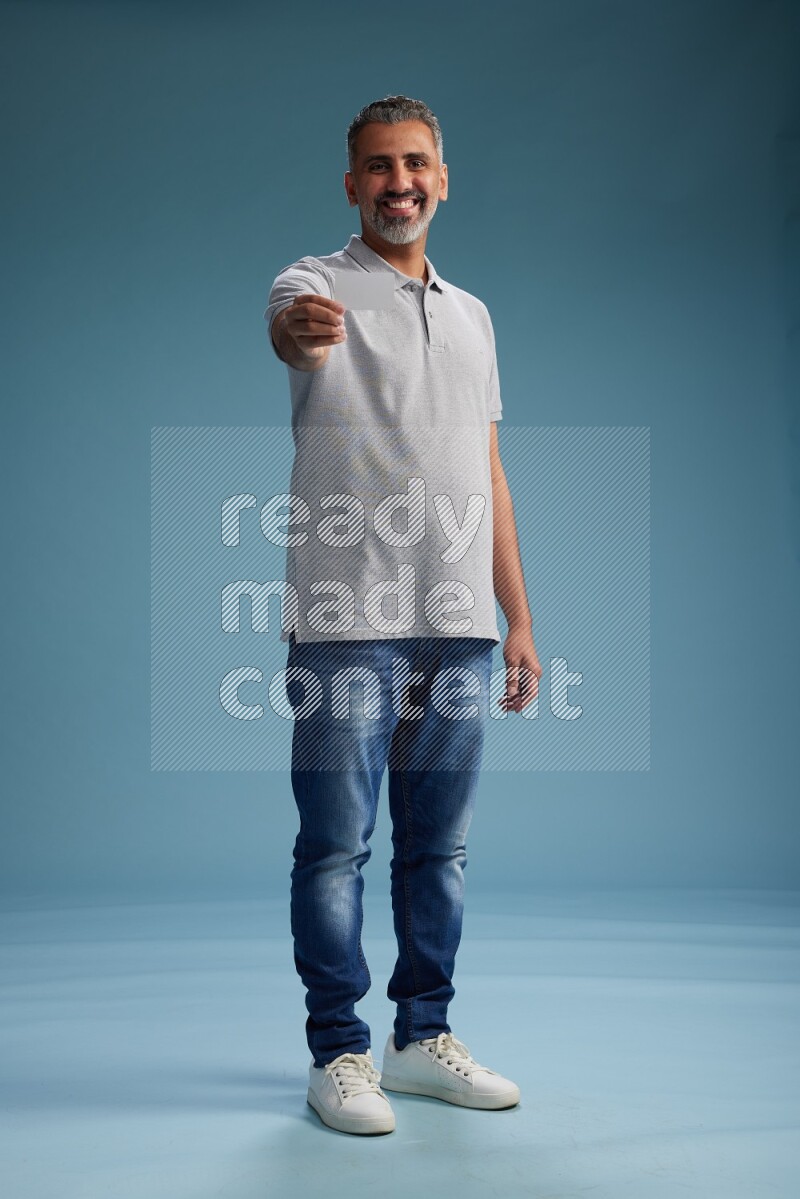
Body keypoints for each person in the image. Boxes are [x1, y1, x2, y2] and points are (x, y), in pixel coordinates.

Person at [264, 95, 542, 1136]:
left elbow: (490, 473)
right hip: (346, 618)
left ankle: (419, 1037)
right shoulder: (312, 285)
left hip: (459, 620)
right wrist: (296, 332)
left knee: (441, 848)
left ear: (441, 177)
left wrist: (516, 618)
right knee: (334, 846)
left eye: (415, 162)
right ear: (351, 184)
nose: (398, 181)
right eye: (377, 165)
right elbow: (291, 333)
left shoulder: (471, 315)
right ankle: (336, 1052)